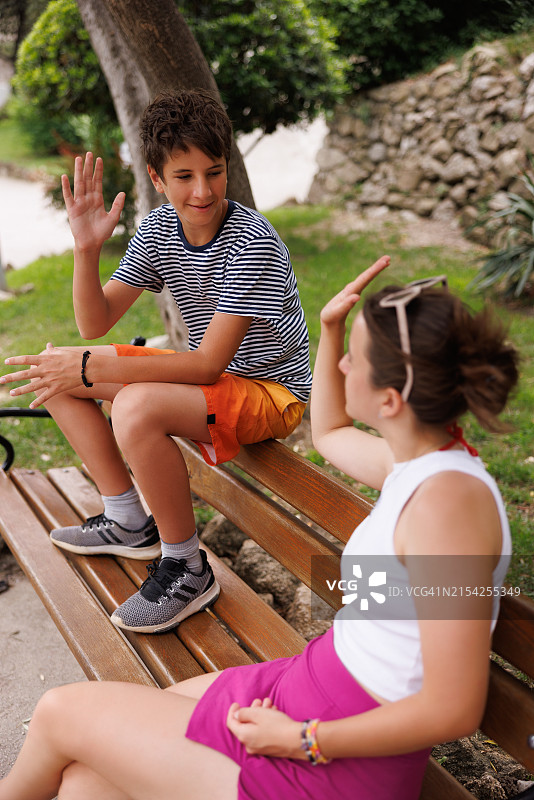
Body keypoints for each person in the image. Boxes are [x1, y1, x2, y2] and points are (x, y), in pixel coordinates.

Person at [0, 257, 520, 800]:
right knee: (86, 784)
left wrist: (304, 739)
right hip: (308, 685)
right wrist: (330, 328)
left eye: (353, 360)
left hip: (334, 758)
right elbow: (332, 431)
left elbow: (455, 707)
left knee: (62, 713)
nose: (339, 368)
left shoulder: (450, 509)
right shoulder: (418, 464)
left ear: (390, 400)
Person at [0, 89, 311, 634]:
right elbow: (95, 325)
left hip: (269, 395)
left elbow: (208, 366)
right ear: (157, 178)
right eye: (184, 176)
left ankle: (187, 566)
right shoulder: (160, 229)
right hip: (211, 379)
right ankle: (125, 519)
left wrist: (97, 369)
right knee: (57, 367)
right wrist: (86, 249)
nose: (203, 190)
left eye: (214, 172)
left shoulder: (251, 241)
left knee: (133, 403)